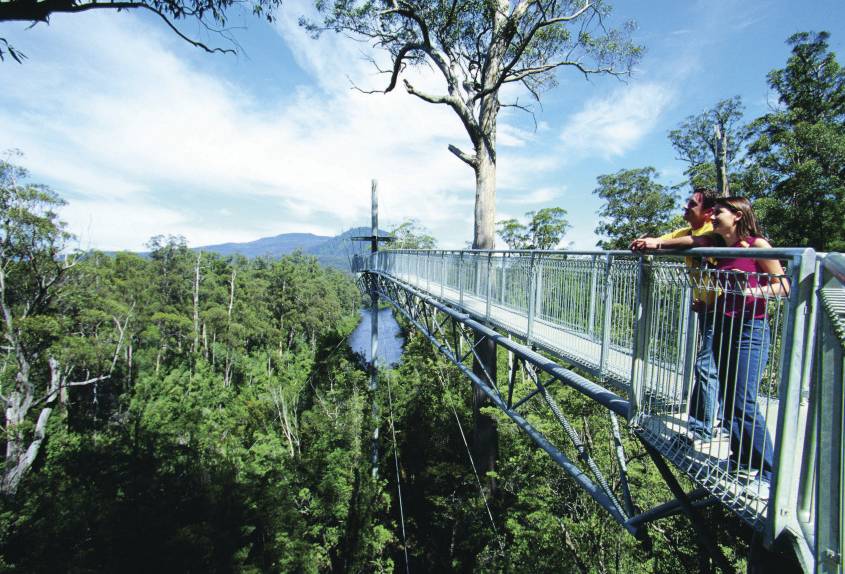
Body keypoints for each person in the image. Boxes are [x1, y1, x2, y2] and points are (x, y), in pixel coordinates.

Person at [633, 197, 789, 491]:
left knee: (743, 402)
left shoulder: (757, 246)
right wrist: (653, 243)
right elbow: (686, 240)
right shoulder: (717, 244)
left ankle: (768, 472)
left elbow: (783, 285)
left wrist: (751, 290)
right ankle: (741, 459)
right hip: (721, 324)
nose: (713, 216)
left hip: (748, 330)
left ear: (738, 215)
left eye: (719, 212)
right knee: (729, 401)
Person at [630, 188, 722, 443]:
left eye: (692, 204)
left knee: (707, 367)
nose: (685, 207)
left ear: (708, 212)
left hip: (727, 310)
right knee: (719, 366)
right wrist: (646, 241)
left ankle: (701, 429)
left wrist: (657, 243)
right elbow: (667, 239)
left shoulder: (711, 234)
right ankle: (721, 422)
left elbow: (699, 244)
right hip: (708, 309)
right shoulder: (687, 232)